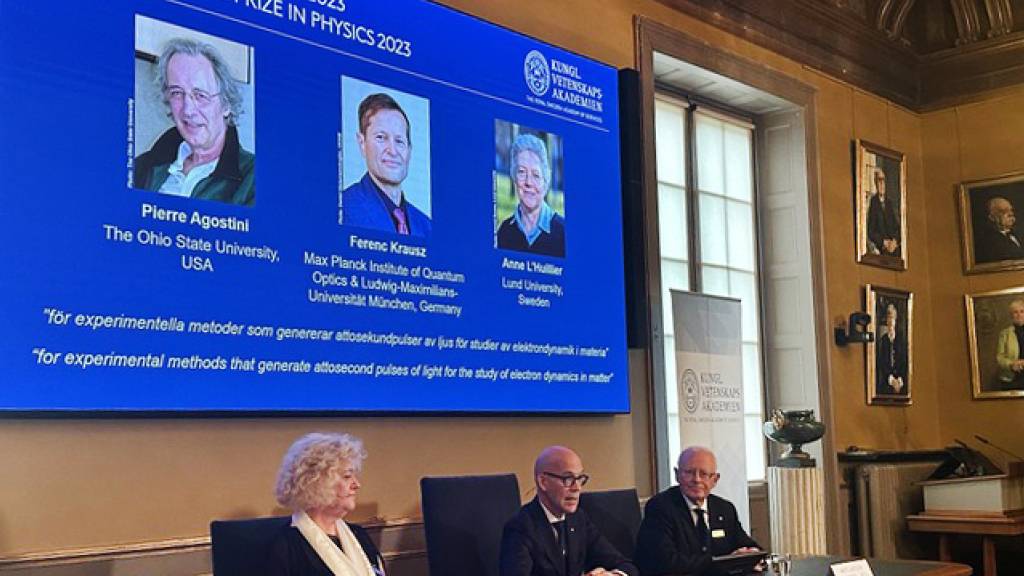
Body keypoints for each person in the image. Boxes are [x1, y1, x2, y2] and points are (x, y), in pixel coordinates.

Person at [134, 38, 255, 206]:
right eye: (177, 93)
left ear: (226, 104)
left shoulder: (252, 178)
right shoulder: (142, 168)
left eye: (200, 95)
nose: (188, 110)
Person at [500, 446, 637, 576]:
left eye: (580, 479)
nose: (577, 488)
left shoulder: (578, 520)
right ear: (543, 482)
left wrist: (612, 574)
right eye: (568, 479)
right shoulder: (520, 528)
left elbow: (626, 565)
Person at [267, 432, 385, 576]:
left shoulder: (359, 535)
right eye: (347, 476)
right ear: (317, 482)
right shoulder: (287, 547)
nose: (356, 484)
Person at [634, 446, 759, 576]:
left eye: (704, 474)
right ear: (677, 475)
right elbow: (667, 562)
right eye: (689, 472)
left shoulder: (724, 508)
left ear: (715, 480)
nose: (697, 480)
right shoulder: (660, 507)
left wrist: (751, 553)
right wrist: (722, 563)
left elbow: (747, 546)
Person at [342, 93, 431, 236]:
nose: (393, 151)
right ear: (362, 143)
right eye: (381, 138)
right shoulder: (344, 208)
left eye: (399, 141)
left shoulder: (426, 225)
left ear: (409, 149)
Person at [496, 134, 566, 257]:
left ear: (546, 181)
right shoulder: (504, 231)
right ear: (514, 177)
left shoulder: (564, 232)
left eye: (536, 175)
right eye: (522, 172)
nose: (528, 182)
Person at [975, 196, 1024, 263]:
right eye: (1003, 211)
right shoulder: (987, 242)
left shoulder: (1019, 234)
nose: (1010, 214)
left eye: (1011, 210)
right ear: (992, 217)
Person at [866, 168, 900, 258]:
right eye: (879, 180)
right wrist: (884, 242)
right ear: (875, 183)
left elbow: (897, 227)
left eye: (883, 180)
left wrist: (895, 241)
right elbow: (871, 232)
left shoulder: (889, 203)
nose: (881, 184)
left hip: (893, 248)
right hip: (881, 249)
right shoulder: (873, 203)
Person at [876, 303, 908, 396]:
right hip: (886, 383)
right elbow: (881, 363)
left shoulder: (901, 340)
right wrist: (891, 380)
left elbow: (904, 361)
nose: (890, 321)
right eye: (889, 318)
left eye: (892, 318)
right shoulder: (883, 340)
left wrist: (899, 380)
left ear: (896, 320)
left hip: (901, 381)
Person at [995, 299, 1024, 390]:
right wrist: (1011, 364)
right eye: (1015, 312)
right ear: (1011, 315)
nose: (1019, 315)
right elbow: (1000, 357)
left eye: (1022, 311)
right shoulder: (1005, 334)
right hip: (1011, 379)